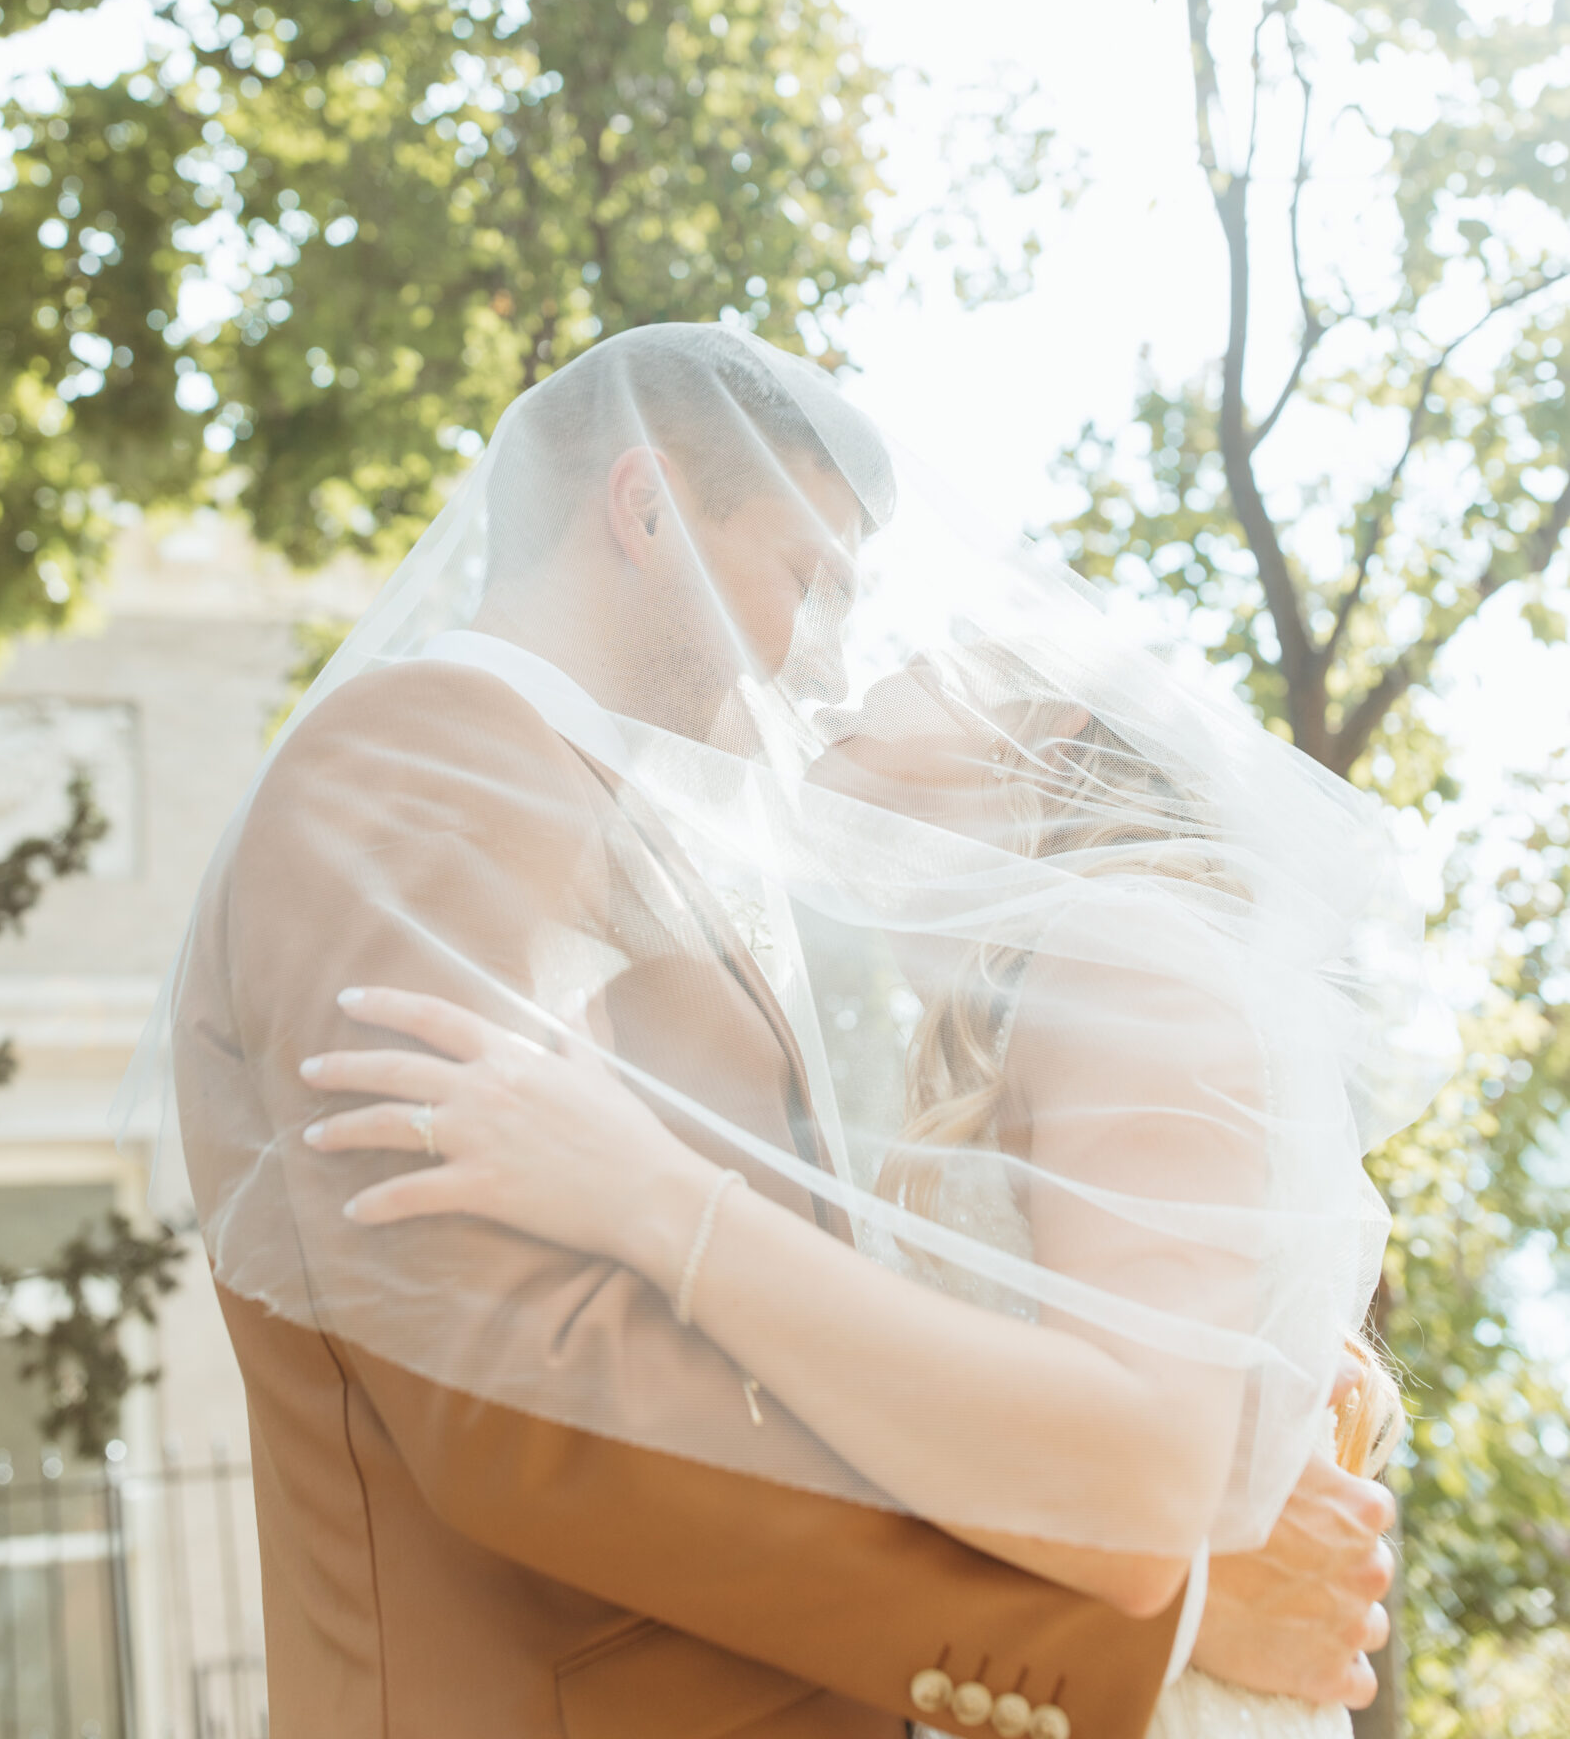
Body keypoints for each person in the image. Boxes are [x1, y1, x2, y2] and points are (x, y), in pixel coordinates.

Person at [169, 325, 1412, 1739]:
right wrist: (1147, 1621)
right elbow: (516, 1379)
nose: (821, 658)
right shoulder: (424, 763)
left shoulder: (638, 849)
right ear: (644, 509)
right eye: (802, 578)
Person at [297, 652, 1405, 1739]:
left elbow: (1138, 1480)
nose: (839, 679)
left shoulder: (1125, 951)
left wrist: (641, 1189)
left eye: (912, 660)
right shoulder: (1002, 1013)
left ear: (1049, 719)